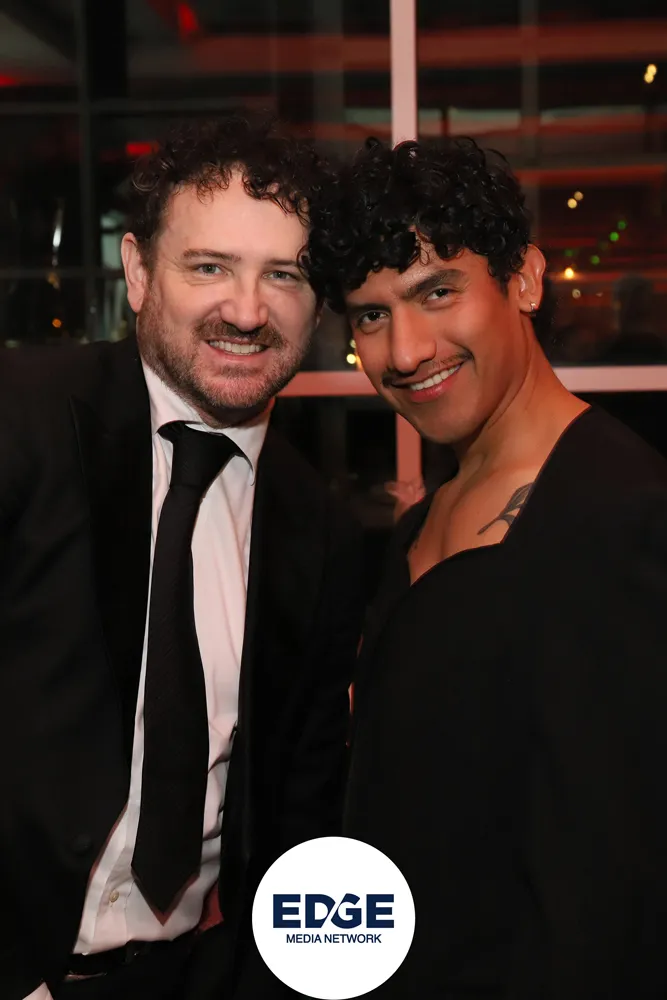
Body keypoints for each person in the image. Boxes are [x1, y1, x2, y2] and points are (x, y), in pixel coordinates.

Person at [0, 116, 363, 1000]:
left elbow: (298, 808)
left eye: (283, 274)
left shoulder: (320, 530)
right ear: (136, 273)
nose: (246, 310)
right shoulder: (21, 423)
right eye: (208, 267)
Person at [306, 136, 667, 998]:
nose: (404, 351)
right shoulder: (423, 519)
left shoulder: (619, 513)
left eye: (437, 292)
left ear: (525, 280)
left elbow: (616, 889)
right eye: (369, 315)